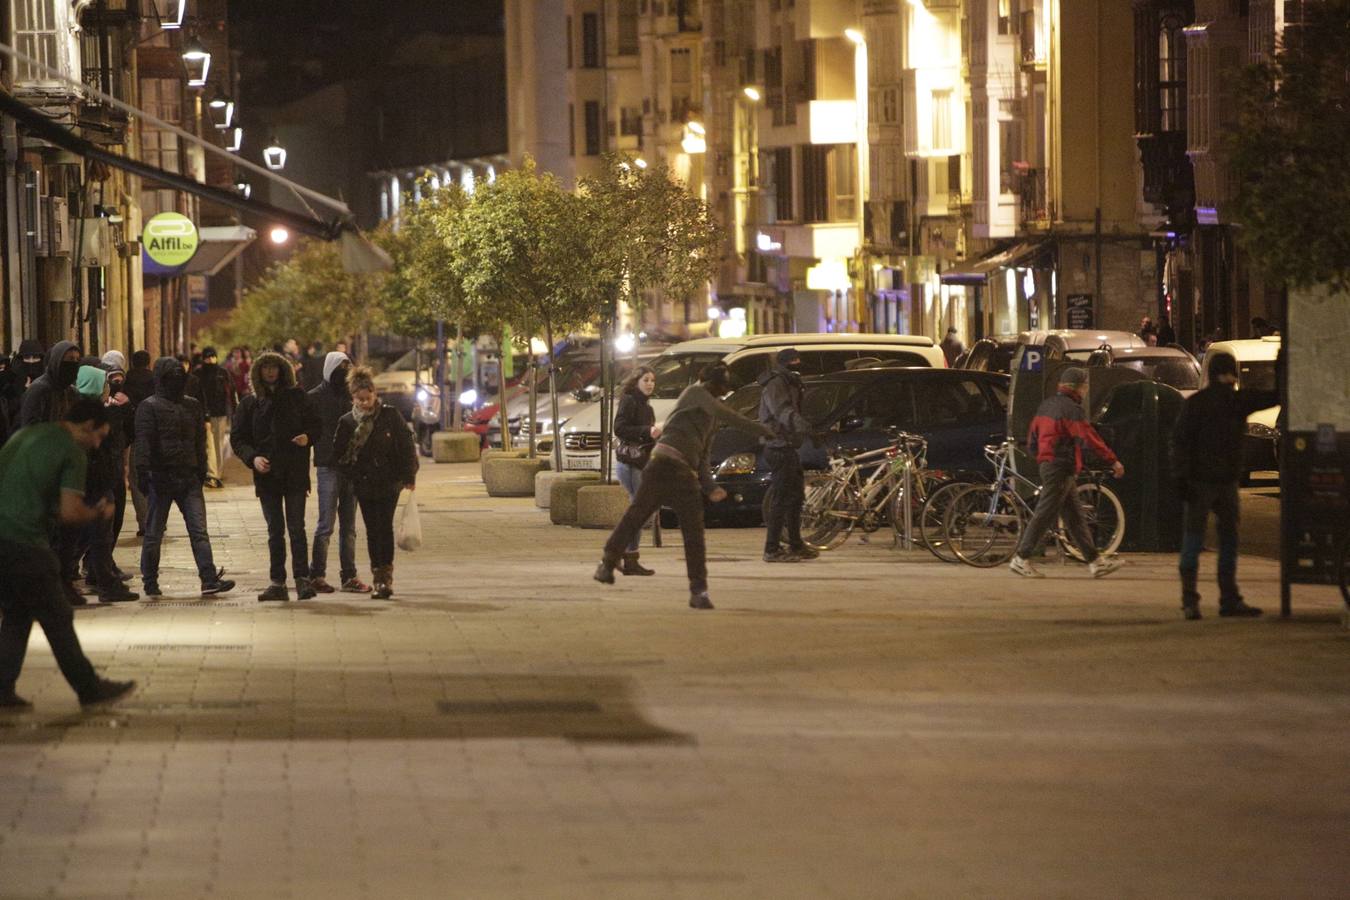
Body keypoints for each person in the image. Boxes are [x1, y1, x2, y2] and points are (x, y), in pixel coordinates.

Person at [593, 364, 773, 610]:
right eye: (719, 387)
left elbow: (703, 454)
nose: (720, 392)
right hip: (662, 464)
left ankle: (699, 591)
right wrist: (763, 430)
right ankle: (608, 561)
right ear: (708, 383)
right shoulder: (695, 393)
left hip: (685, 472)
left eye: (722, 389)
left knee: (693, 534)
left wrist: (710, 487)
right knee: (636, 515)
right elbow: (728, 414)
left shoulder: (710, 416)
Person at [0, 397, 136, 709]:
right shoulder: (72, 450)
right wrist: (98, 511)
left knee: (18, 613)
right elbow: (71, 512)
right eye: (99, 436)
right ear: (87, 426)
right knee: (57, 615)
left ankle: (2, 686)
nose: (98, 445)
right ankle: (89, 688)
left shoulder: (26, 434)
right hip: (24, 540)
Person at [1170, 354, 1277, 619]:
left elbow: (1180, 442)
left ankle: (1189, 601)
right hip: (1227, 482)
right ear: (1231, 374)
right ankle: (1229, 599)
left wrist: (1181, 478)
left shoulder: (1195, 404)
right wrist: (1282, 363)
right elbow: (1272, 397)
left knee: (1193, 539)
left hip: (1198, 482)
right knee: (1228, 540)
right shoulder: (1236, 401)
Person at [1008, 367, 1125, 579]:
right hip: (1061, 465)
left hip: (1050, 464)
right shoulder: (1072, 410)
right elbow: (1088, 438)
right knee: (1045, 512)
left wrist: (1041, 457)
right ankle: (1021, 557)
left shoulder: (1047, 405)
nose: (1087, 390)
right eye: (1085, 386)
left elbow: (1033, 437)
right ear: (1078, 387)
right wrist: (1112, 460)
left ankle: (1095, 562)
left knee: (1075, 517)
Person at [135, 357, 235, 598]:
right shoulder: (149, 407)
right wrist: (143, 473)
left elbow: (200, 440)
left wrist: (201, 469)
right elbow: (144, 442)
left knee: (198, 530)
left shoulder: (192, 405)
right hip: (162, 477)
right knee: (154, 533)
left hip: (188, 476)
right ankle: (150, 581)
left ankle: (208, 578)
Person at [231, 351, 320, 602]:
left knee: (296, 528)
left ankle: (302, 579)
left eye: (274, 367)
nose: (270, 371)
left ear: (283, 370)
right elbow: (239, 438)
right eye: (265, 367)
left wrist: (307, 437)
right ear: (258, 372)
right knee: (275, 531)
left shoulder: (297, 398)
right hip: (267, 476)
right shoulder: (250, 404)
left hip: (294, 473)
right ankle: (277, 582)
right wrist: (253, 458)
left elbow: (316, 425)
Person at [332, 367, 417, 600]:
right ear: (353, 398)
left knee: (384, 527)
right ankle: (377, 573)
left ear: (374, 394)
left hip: (389, 482)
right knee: (372, 530)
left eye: (368, 398)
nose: (364, 403)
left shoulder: (389, 415)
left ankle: (385, 577)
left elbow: (406, 445)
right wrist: (353, 475)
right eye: (359, 399)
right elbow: (338, 455)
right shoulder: (347, 422)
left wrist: (409, 476)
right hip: (364, 484)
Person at [307, 351, 370, 594]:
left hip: (351, 467)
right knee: (326, 524)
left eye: (348, 366)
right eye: (340, 367)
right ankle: (317, 575)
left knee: (349, 527)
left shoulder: (354, 397)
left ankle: (349, 576)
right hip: (327, 466)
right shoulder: (315, 398)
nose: (344, 371)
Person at [74, 363, 136, 603]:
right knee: (93, 535)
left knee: (98, 535)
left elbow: (121, 440)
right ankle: (101, 581)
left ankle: (103, 578)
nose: (108, 388)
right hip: (95, 482)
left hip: (103, 479)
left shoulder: (101, 410)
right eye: (104, 384)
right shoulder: (88, 415)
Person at [758, 348, 819, 563]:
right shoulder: (777, 384)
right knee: (782, 498)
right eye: (795, 360)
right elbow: (783, 412)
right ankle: (771, 549)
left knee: (795, 497)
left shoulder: (790, 381)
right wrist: (806, 428)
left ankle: (795, 544)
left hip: (787, 445)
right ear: (785, 363)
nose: (798, 363)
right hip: (777, 446)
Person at [612, 365, 660, 576]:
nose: (650, 384)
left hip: (641, 463)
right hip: (630, 463)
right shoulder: (630, 400)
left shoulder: (646, 407)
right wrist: (646, 431)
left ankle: (624, 555)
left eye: (652, 380)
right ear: (636, 382)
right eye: (646, 380)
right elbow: (619, 428)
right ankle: (627, 556)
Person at [100, 352, 135, 548]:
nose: (116, 381)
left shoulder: (123, 398)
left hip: (117, 462)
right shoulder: (96, 401)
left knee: (117, 513)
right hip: (102, 467)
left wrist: (127, 407)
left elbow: (130, 431)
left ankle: (103, 563)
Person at [189, 346, 233, 489]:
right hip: (202, 414)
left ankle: (216, 474)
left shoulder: (222, 373)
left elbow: (231, 391)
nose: (210, 359)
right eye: (207, 357)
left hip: (219, 413)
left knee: (217, 444)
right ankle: (210, 473)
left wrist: (233, 409)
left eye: (212, 356)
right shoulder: (198, 374)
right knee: (207, 444)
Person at [123, 350, 156, 536]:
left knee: (136, 481)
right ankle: (157, 518)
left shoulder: (126, 383)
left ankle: (144, 522)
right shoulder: (155, 381)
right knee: (154, 476)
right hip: (153, 436)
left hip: (136, 437)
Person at [19, 340, 82, 428]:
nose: (74, 363)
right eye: (70, 359)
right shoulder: (39, 390)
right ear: (58, 360)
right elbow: (30, 428)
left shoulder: (72, 392)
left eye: (77, 360)